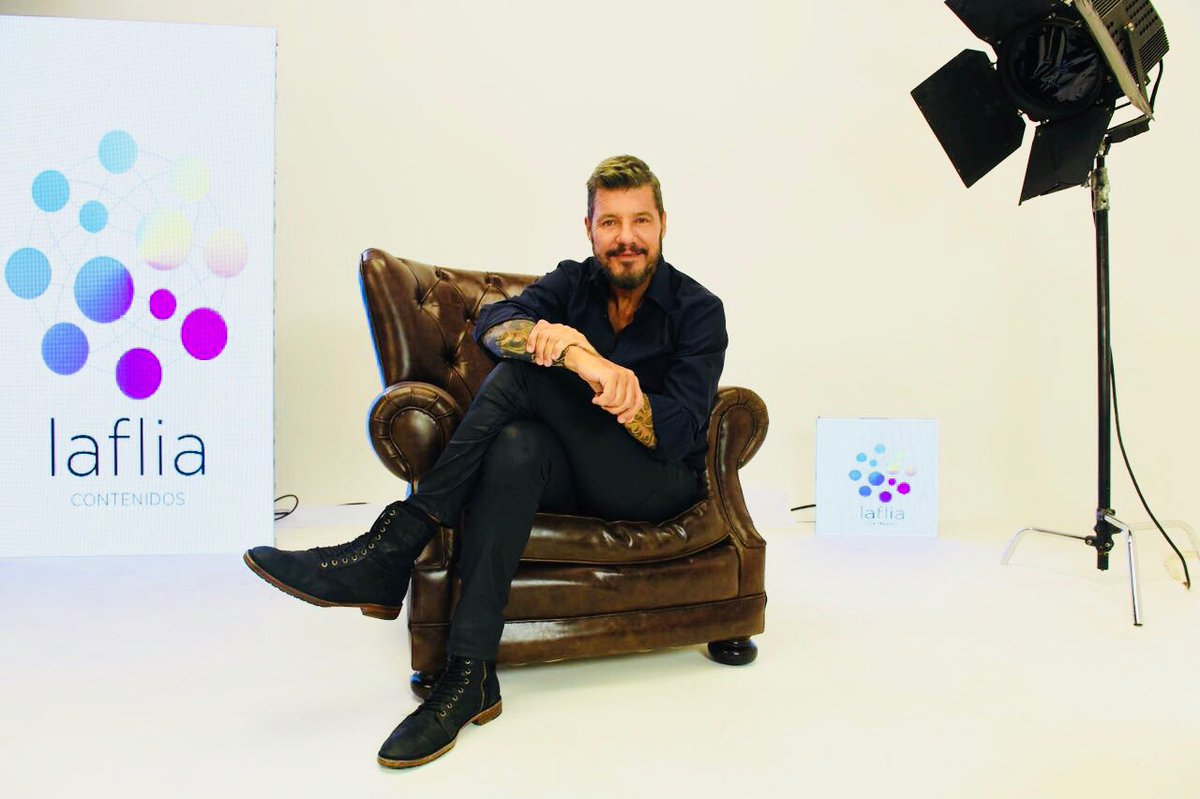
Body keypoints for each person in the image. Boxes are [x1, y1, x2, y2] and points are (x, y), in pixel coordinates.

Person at [244, 154, 728, 768]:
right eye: (610, 222)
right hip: (570, 472)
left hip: (651, 480)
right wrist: (580, 354)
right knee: (517, 445)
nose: (625, 237)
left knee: (527, 378)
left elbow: (681, 432)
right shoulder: (573, 282)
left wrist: (613, 389)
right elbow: (494, 324)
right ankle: (470, 674)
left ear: (663, 224)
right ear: (589, 228)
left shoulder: (698, 309)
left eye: (640, 221)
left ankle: (394, 546)